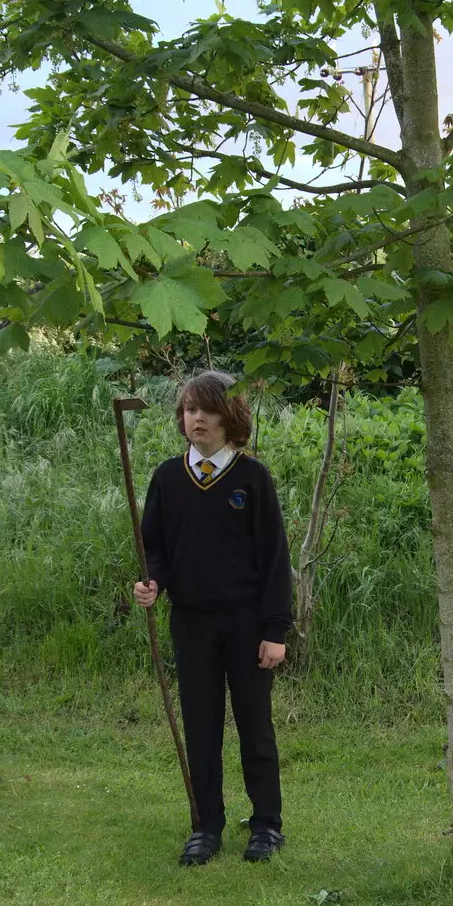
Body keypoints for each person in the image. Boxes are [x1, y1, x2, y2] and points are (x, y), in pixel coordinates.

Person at [133, 370, 292, 866]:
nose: (195, 417)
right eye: (188, 409)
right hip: (193, 623)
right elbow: (153, 548)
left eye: (206, 409)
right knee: (201, 726)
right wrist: (152, 582)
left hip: (247, 626)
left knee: (254, 728)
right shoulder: (167, 477)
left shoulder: (251, 478)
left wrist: (274, 631)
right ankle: (207, 826)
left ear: (230, 418)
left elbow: (273, 560)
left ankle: (266, 824)